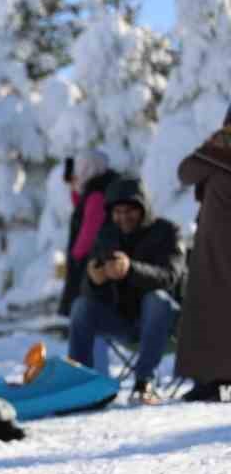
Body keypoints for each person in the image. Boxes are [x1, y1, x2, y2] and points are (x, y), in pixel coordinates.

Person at [66, 176, 185, 405]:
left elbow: (170, 277)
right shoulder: (107, 235)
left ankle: (144, 382)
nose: (123, 217)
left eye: (129, 211)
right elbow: (92, 293)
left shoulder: (168, 232)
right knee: (81, 306)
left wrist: (130, 269)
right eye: (117, 212)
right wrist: (94, 280)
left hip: (166, 324)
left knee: (156, 299)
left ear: (143, 209)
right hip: (124, 322)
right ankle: (80, 384)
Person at [176, 111, 231, 403]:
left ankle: (212, 379)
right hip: (214, 245)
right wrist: (212, 146)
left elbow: (187, 172)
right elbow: (185, 172)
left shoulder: (219, 153)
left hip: (218, 247)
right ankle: (210, 380)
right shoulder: (219, 152)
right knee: (210, 312)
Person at [60, 150, 119, 317]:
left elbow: (90, 230)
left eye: (80, 170)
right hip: (93, 257)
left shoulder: (97, 194)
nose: (76, 175)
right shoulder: (97, 189)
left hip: (91, 260)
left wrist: (76, 255)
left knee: (87, 308)